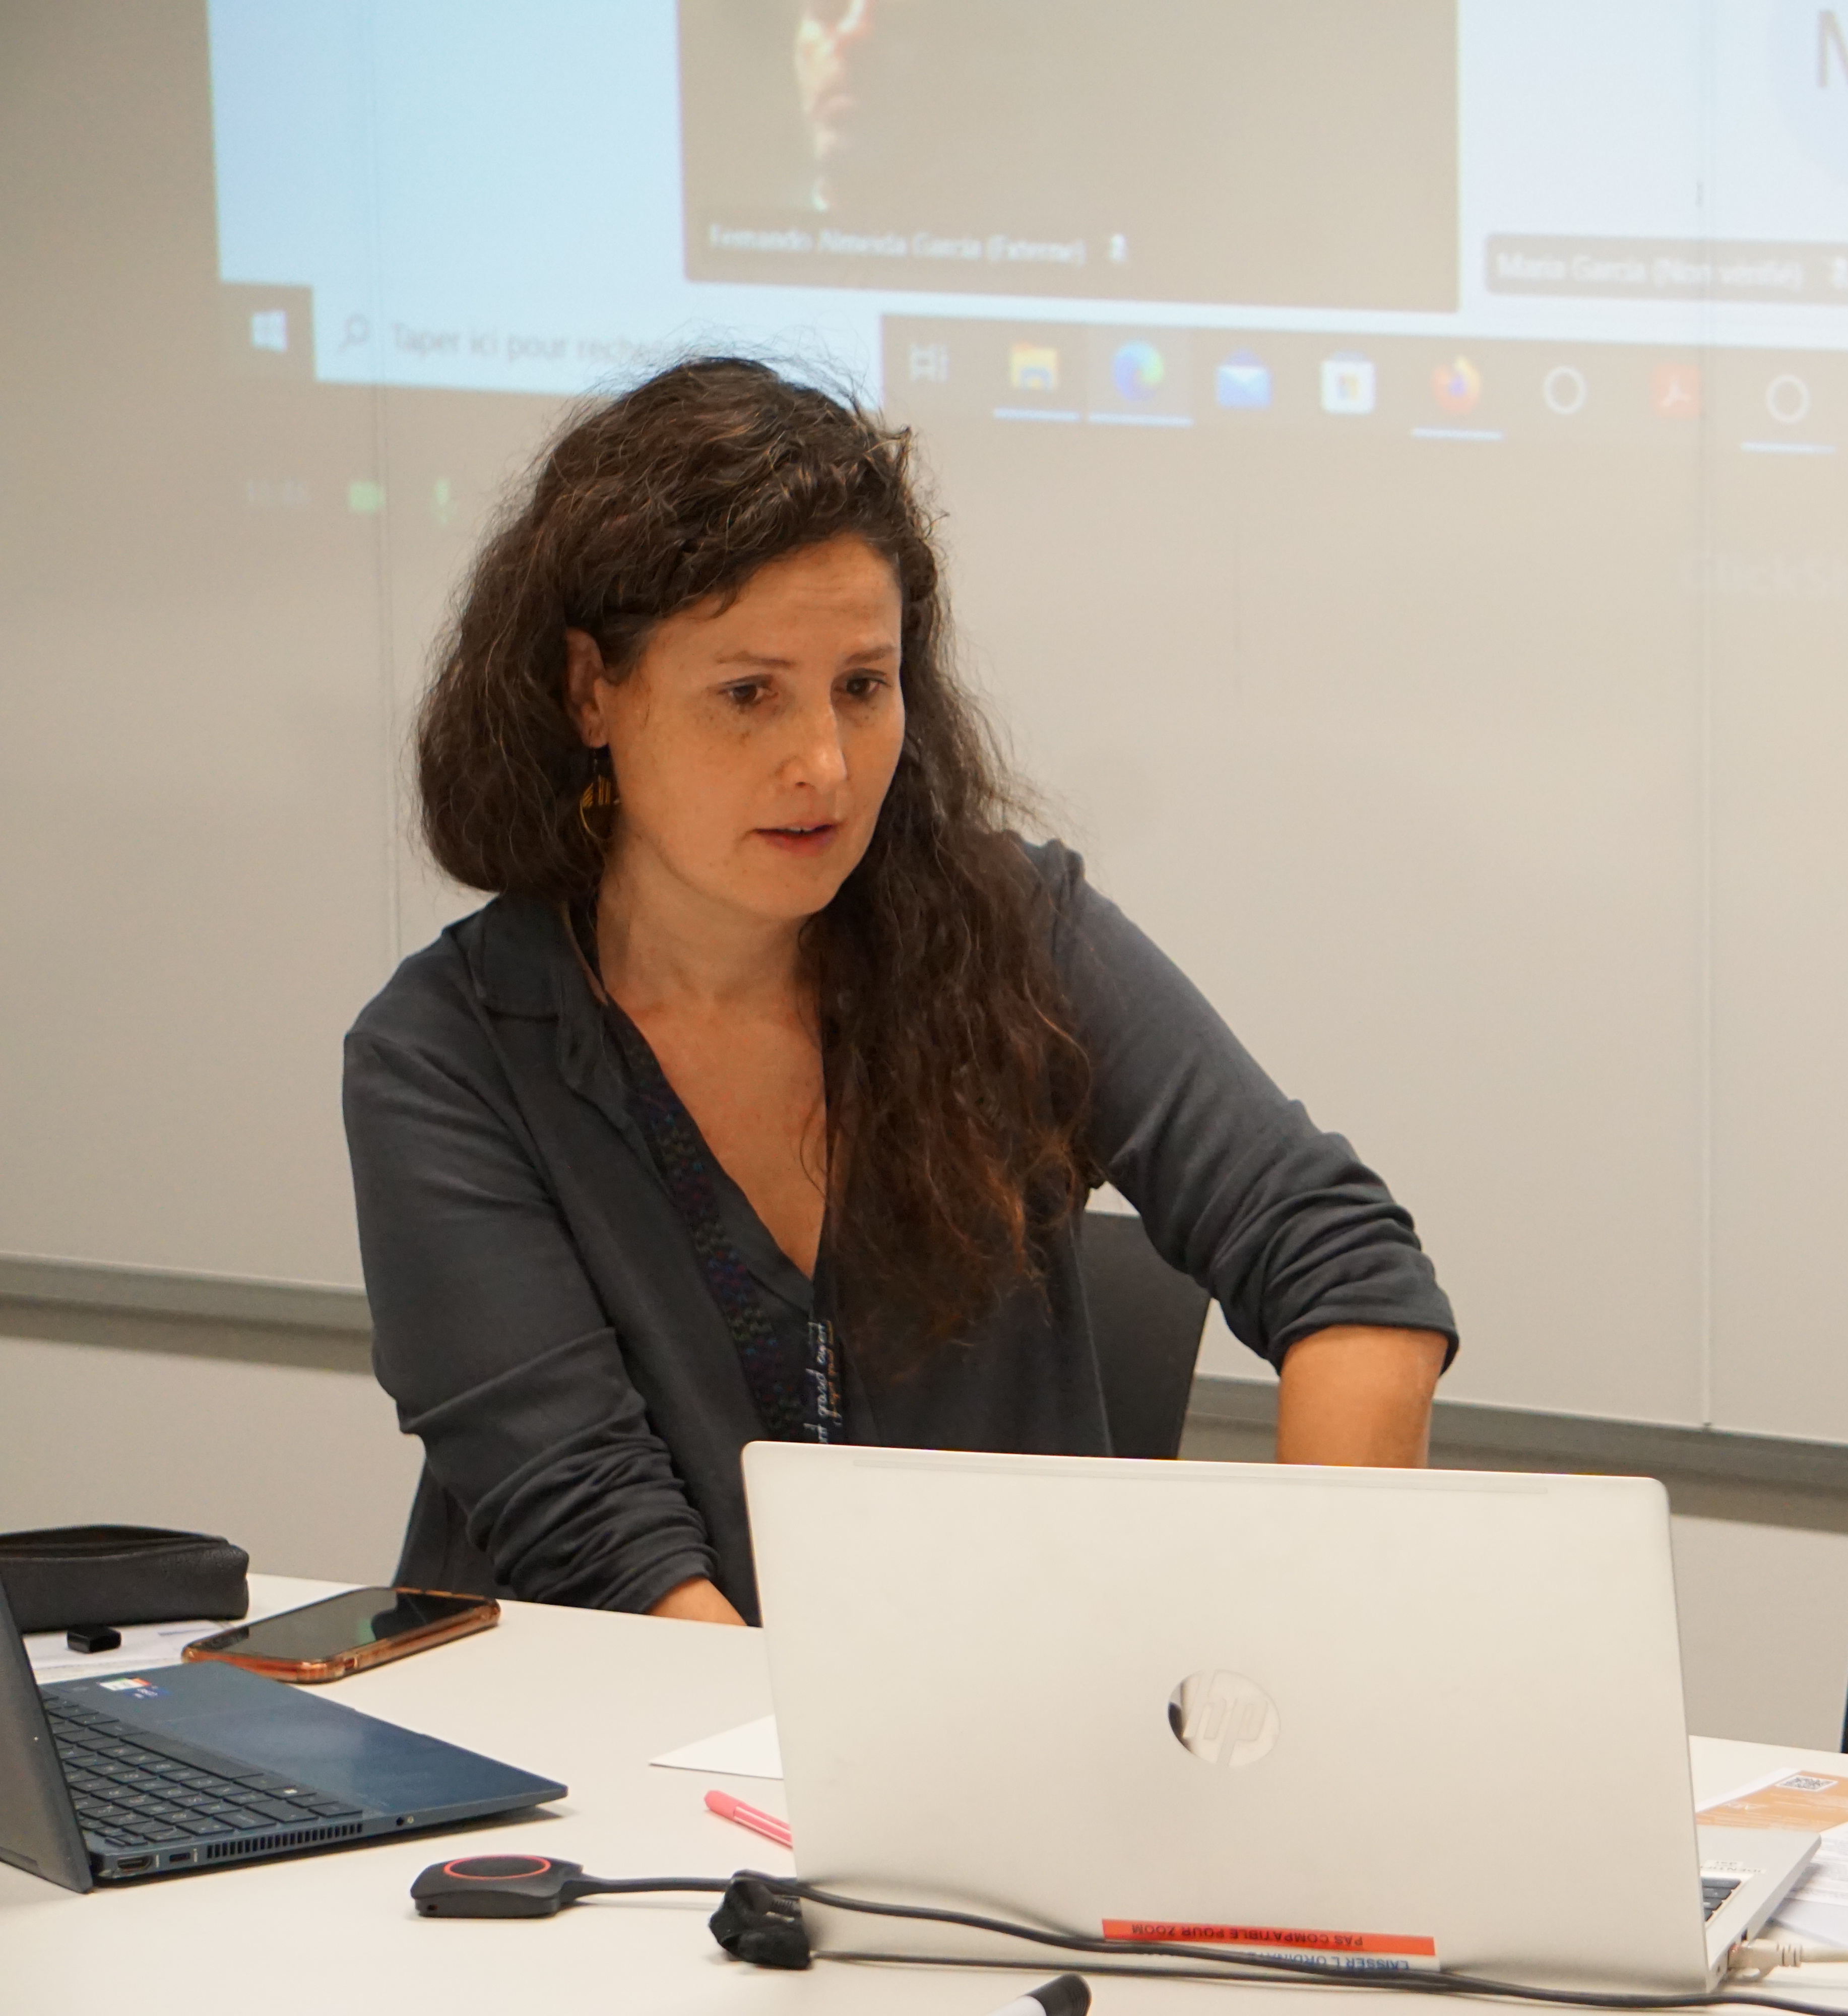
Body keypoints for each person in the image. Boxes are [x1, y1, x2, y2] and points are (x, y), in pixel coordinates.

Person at [345, 357, 1455, 1626]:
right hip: (628, 1725)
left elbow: (1339, 1257)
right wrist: (826, 1741)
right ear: (593, 689)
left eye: (863, 687)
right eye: (750, 693)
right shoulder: (448, 1055)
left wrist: (1321, 1634)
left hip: (981, 1723)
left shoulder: (1016, 934)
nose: (823, 763)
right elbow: (594, 1534)